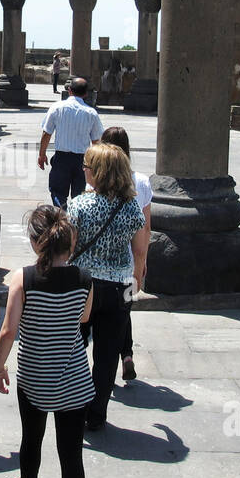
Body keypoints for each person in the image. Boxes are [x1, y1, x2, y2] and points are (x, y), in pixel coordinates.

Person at [0, 206, 93, 478]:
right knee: (71, 453)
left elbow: (9, 331)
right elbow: (84, 317)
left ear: (37, 243)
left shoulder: (24, 278)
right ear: (69, 243)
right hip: (75, 379)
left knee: (31, 438)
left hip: (35, 375)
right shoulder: (84, 278)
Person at [67, 143, 147, 430]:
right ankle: (97, 414)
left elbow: (69, 248)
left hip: (82, 286)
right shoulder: (131, 208)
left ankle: (73, 405)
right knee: (107, 353)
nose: (84, 170)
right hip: (120, 286)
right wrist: (136, 281)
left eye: (87, 166)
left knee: (74, 348)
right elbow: (139, 251)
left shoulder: (78, 205)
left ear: (97, 172)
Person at [99, 126, 152, 381]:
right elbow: (146, 229)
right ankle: (126, 355)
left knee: (103, 319)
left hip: (97, 267)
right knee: (123, 311)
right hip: (128, 264)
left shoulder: (96, 181)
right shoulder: (140, 181)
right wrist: (141, 266)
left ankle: (116, 360)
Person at [38, 76, 102, 208]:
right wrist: (96, 164)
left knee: (57, 192)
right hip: (82, 160)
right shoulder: (91, 113)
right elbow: (96, 141)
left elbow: (46, 133)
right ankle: (75, 221)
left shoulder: (57, 108)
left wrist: (42, 154)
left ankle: (62, 216)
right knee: (80, 196)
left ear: (69, 90)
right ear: (85, 94)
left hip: (62, 158)